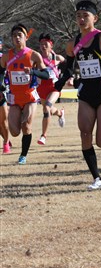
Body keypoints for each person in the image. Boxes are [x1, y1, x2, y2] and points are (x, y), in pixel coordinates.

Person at [53, 0, 101, 189]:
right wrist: (60, 82)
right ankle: (97, 178)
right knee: (85, 133)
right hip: (86, 93)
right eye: (78, 16)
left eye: (85, 15)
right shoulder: (72, 44)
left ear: (95, 18)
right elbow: (69, 69)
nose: (81, 19)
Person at [0, 24, 51, 164]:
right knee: (15, 131)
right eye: (14, 35)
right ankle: (15, 143)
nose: (17, 38)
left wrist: (33, 71)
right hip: (14, 98)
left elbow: (46, 74)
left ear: (25, 37)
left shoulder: (34, 55)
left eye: (19, 35)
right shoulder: (6, 56)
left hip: (30, 97)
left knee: (26, 126)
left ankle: (23, 156)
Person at [36, 33, 66, 145]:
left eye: (46, 44)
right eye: (41, 44)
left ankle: (43, 136)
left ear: (51, 45)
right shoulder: (36, 58)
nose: (43, 46)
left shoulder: (57, 57)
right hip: (41, 88)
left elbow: (68, 64)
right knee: (48, 109)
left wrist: (68, 77)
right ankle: (60, 113)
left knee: (47, 107)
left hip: (54, 88)